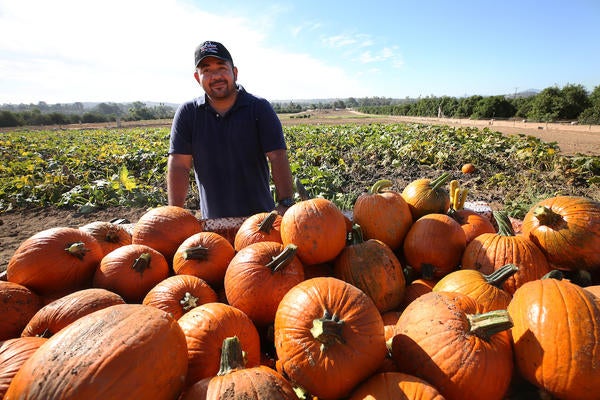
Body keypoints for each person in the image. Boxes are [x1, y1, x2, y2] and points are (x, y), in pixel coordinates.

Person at [167, 41, 296, 219]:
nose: (216, 76)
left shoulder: (258, 108)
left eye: (222, 68)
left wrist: (285, 202)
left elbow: (277, 156)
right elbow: (180, 165)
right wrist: (174, 215)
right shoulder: (188, 113)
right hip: (212, 225)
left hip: (260, 223)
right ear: (198, 78)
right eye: (207, 71)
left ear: (234, 72)